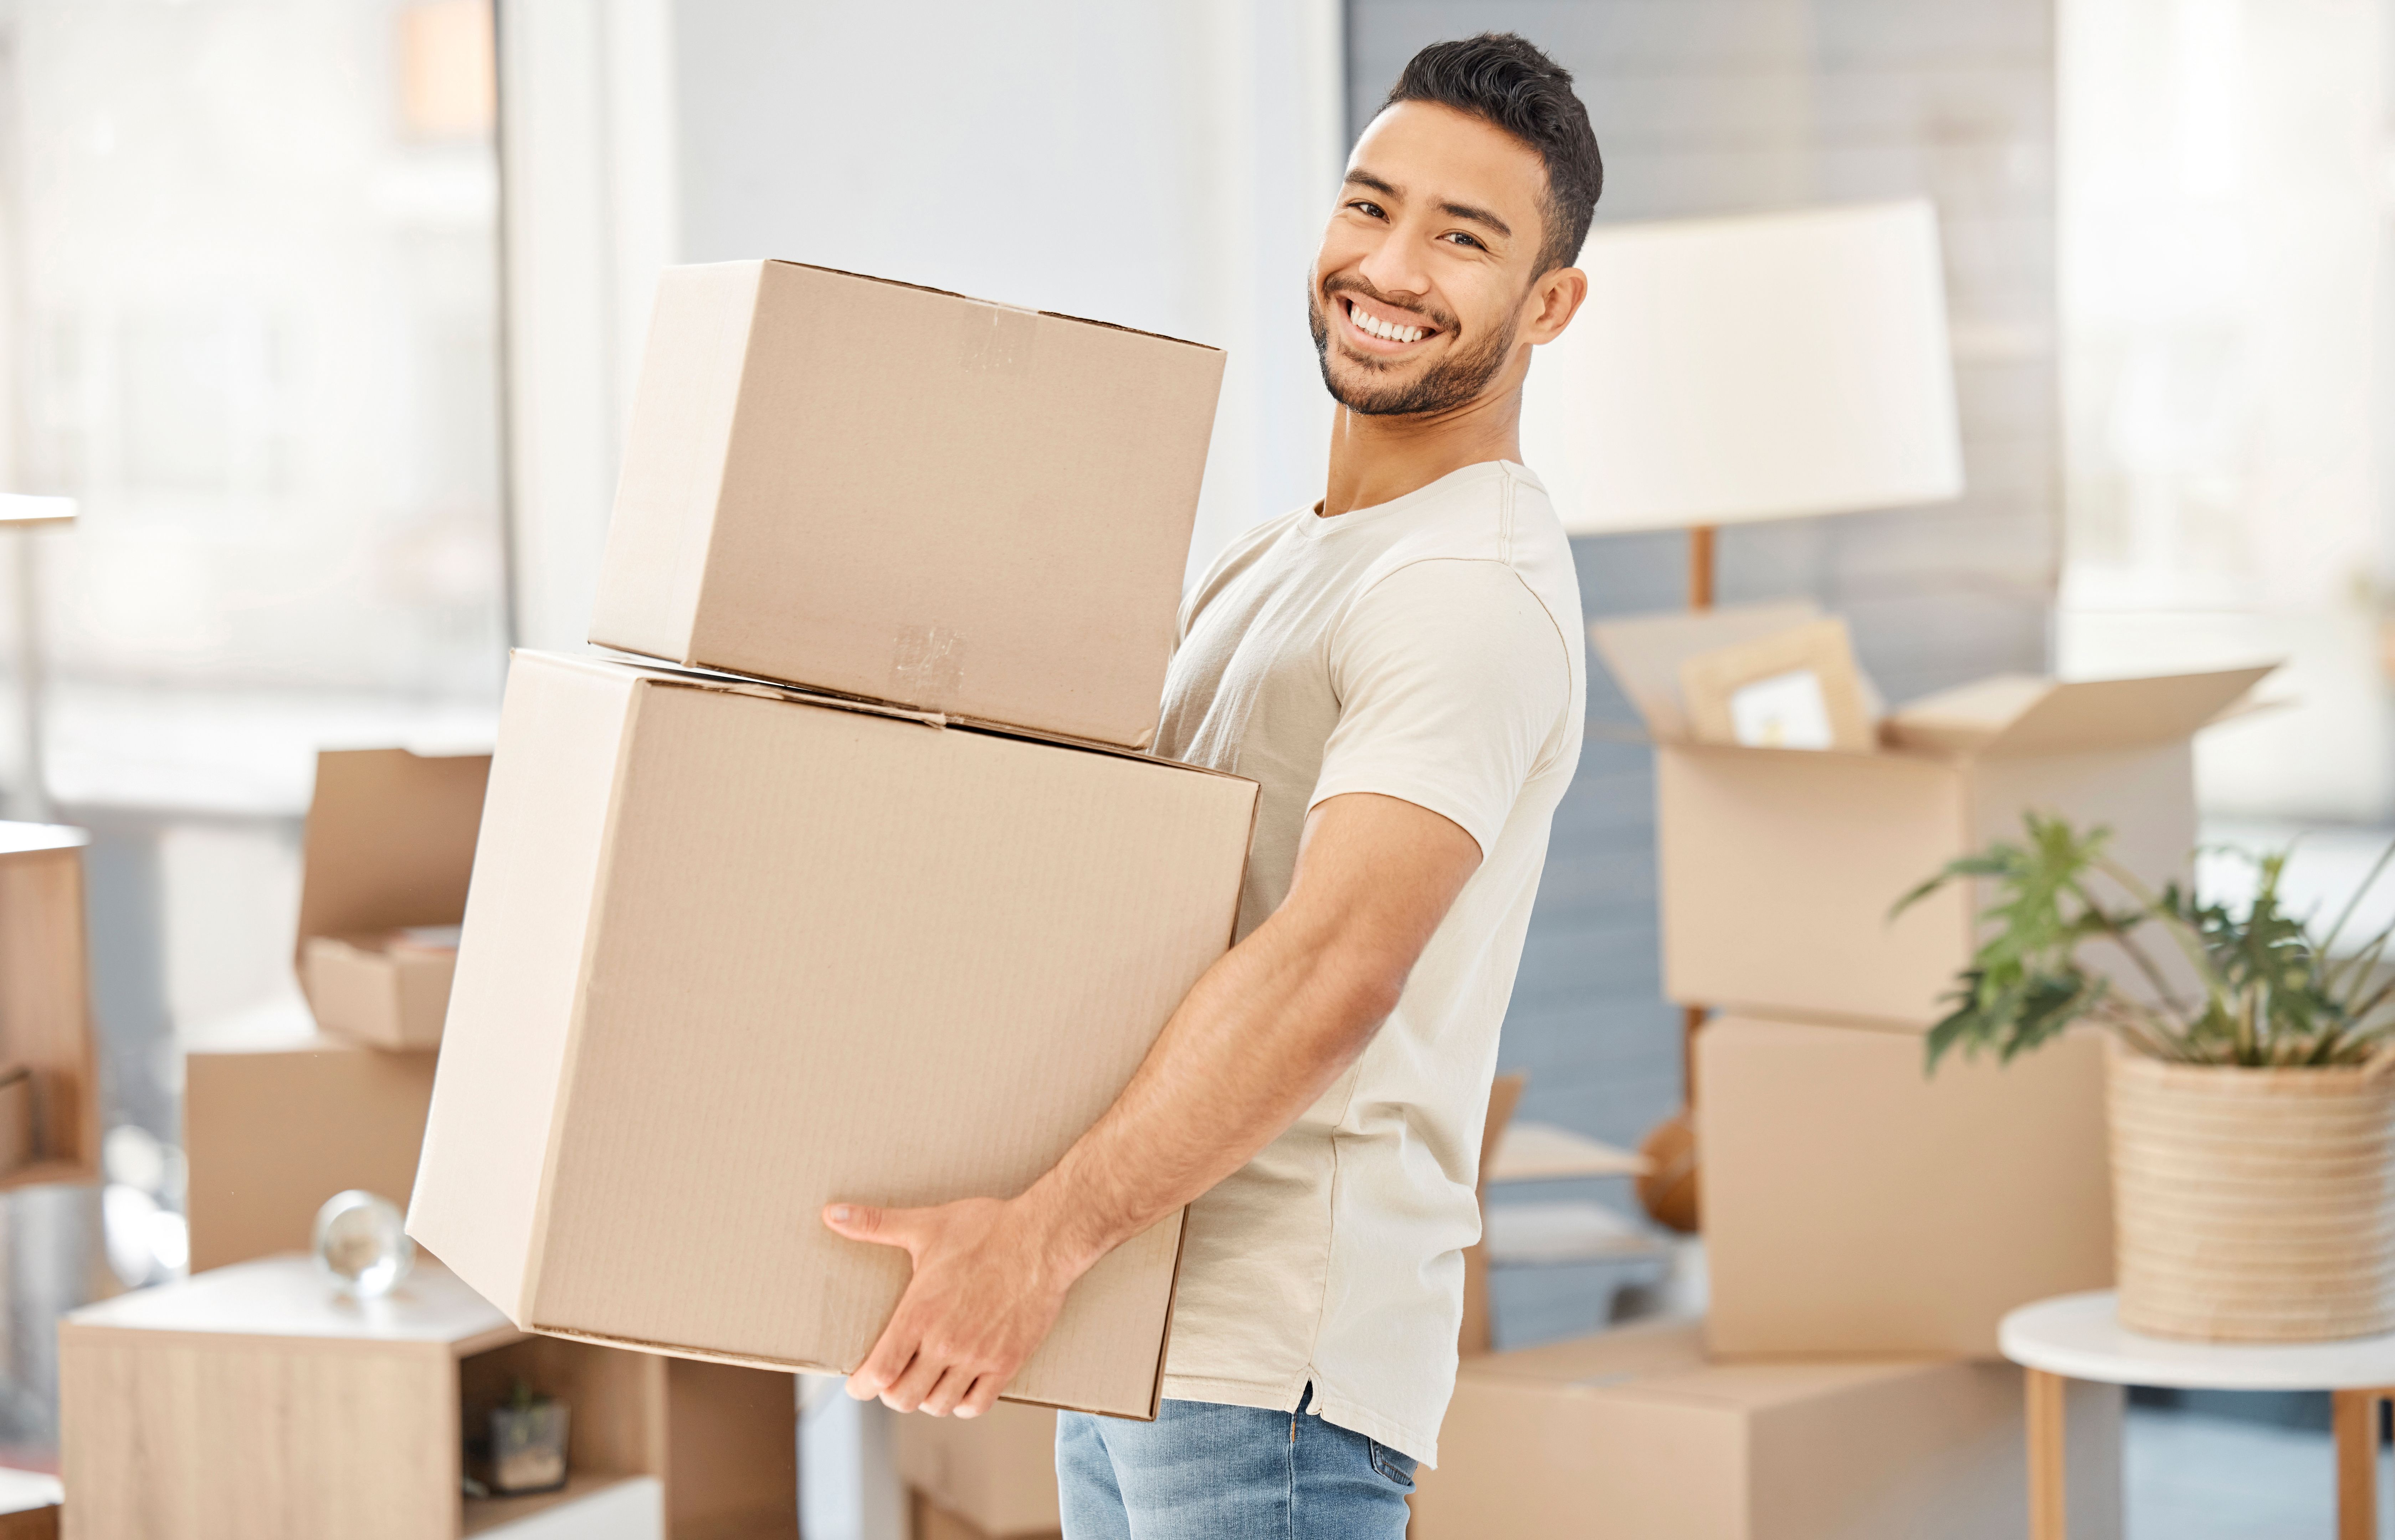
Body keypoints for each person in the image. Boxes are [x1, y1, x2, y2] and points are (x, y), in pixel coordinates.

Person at [821, 31, 1601, 1538]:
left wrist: (1040, 1243)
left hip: (1269, 1356)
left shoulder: (1467, 594)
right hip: (1148, 1318)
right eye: (1370, 208)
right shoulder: (1290, 554)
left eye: (1465, 236)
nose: (1391, 265)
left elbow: (1333, 973)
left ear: (1550, 303)